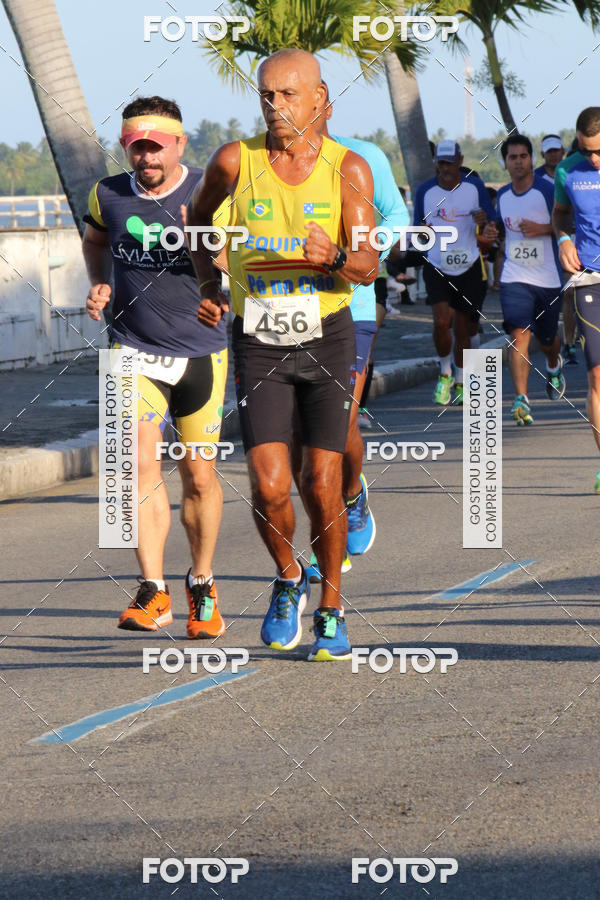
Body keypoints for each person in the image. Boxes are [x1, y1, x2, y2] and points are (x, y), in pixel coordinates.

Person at [186, 49, 379, 660]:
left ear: (321, 99)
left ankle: (332, 608)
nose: (275, 106)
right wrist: (209, 285)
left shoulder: (349, 170)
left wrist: (332, 259)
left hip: (327, 336)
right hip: (259, 340)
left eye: (288, 95)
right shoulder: (232, 162)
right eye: (266, 95)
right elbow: (197, 222)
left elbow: (369, 266)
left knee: (319, 482)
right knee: (269, 486)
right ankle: (288, 579)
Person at [83, 96, 228, 638]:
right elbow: (95, 239)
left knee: (198, 476)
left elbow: (236, 262)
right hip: (132, 348)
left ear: (179, 144)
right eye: (135, 146)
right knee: (138, 469)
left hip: (199, 351)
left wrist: (208, 248)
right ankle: (153, 592)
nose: (144, 156)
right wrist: (98, 282)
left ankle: (203, 584)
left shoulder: (208, 194)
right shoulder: (108, 195)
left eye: (154, 146)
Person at [298, 99, 409, 581]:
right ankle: (327, 535)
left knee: (340, 425)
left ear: (322, 105)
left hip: (353, 307)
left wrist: (354, 251)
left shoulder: (360, 158)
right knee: (305, 441)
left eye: (295, 98)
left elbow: (398, 217)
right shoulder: (264, 164)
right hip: (287, 311)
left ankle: (351, 494)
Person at [483, 133, 565, 426]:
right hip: (514, 276)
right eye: (512, 157)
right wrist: (491, 235)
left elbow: (566, 224)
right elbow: (498, 230)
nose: (518, 162)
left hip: (547, 278)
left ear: (532, 159)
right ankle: (521, 399)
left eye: (523, 156)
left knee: (547, 341)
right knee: (518, 332)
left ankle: (554, 365)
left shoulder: (548, 190)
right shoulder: (503, 195)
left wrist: (542, 229)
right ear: (505, 163)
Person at [413, 140, 495, 405]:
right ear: (436, 163)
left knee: (462, 328)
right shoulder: (425, 191)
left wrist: (483, 223)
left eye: (450, 162)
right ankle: (444, 372)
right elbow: (418, 232)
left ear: (460, 161)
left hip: (468, 265)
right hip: (437, 265)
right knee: (440, 322)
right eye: (441, 163)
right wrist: (423, 237)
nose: (446, 168)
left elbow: (491, 222)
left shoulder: (474, 187)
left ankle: (461, 380)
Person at [553, 107, 600, 491]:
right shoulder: (568, 170)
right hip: (590, 280)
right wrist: (563, 238)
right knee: (597, 375)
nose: (594, 159)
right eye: (587, 152)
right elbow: (560, 215)